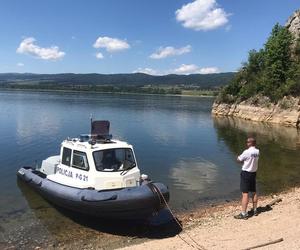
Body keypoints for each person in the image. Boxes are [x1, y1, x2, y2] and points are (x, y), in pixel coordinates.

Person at [234, 137, 260, 220]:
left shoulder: (247, 152)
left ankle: (244, 213)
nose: (246, 143)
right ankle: (255, 210)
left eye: (247, 142)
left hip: (246, 173)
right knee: (254, 191)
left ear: (249, 143)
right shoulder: (257, 151)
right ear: (255, 143)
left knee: (245, 193)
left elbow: (239, 159)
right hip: (253, 173)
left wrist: (238, 157)